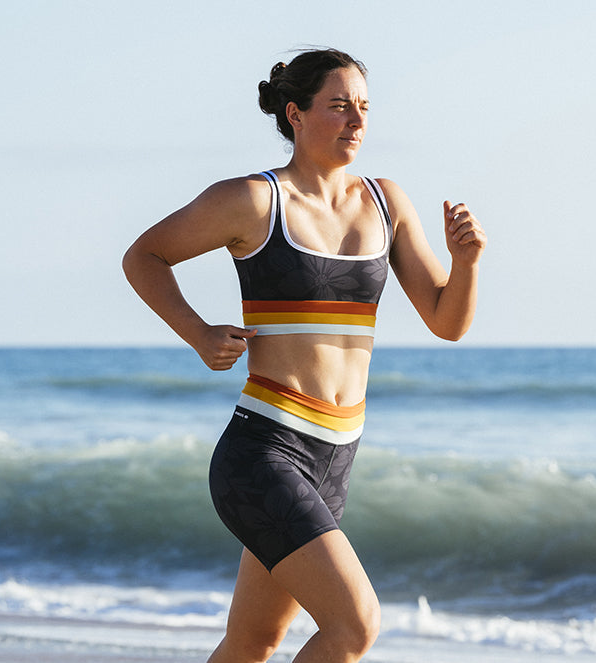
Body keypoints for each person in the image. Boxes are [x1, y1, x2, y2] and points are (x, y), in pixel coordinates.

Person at [122, 47, 486, 663]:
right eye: (339, 107)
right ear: (295, 114)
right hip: (264, 451)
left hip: (334, 457)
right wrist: (197, 332)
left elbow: (447, 321)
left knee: (253, 641)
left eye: (364, 108)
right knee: (355, 626)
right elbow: (144, 256)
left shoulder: (386, 202)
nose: (356, 121)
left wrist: (467, 263)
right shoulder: (254, 201)